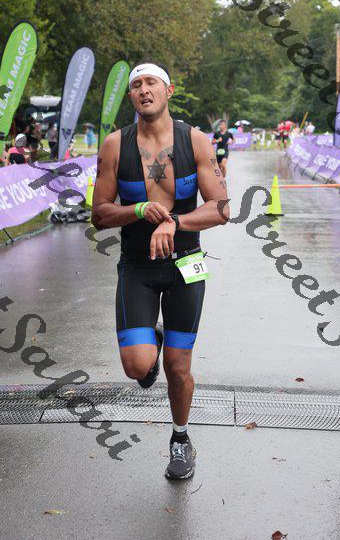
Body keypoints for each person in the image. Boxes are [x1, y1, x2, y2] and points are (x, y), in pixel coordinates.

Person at [92, 61, 229, 480]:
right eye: (136, 85)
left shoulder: (196, 140)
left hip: (187, 264)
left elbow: (221, 208)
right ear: (131, 97)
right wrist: (137, 210)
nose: (143, 89)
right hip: (137, 266)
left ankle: (181, 439)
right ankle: (149, 341)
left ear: (168, 91)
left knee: (178, 367)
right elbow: (99, 213)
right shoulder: (115, 145)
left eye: (151, 82)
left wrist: (175, 222)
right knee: (138, 366)